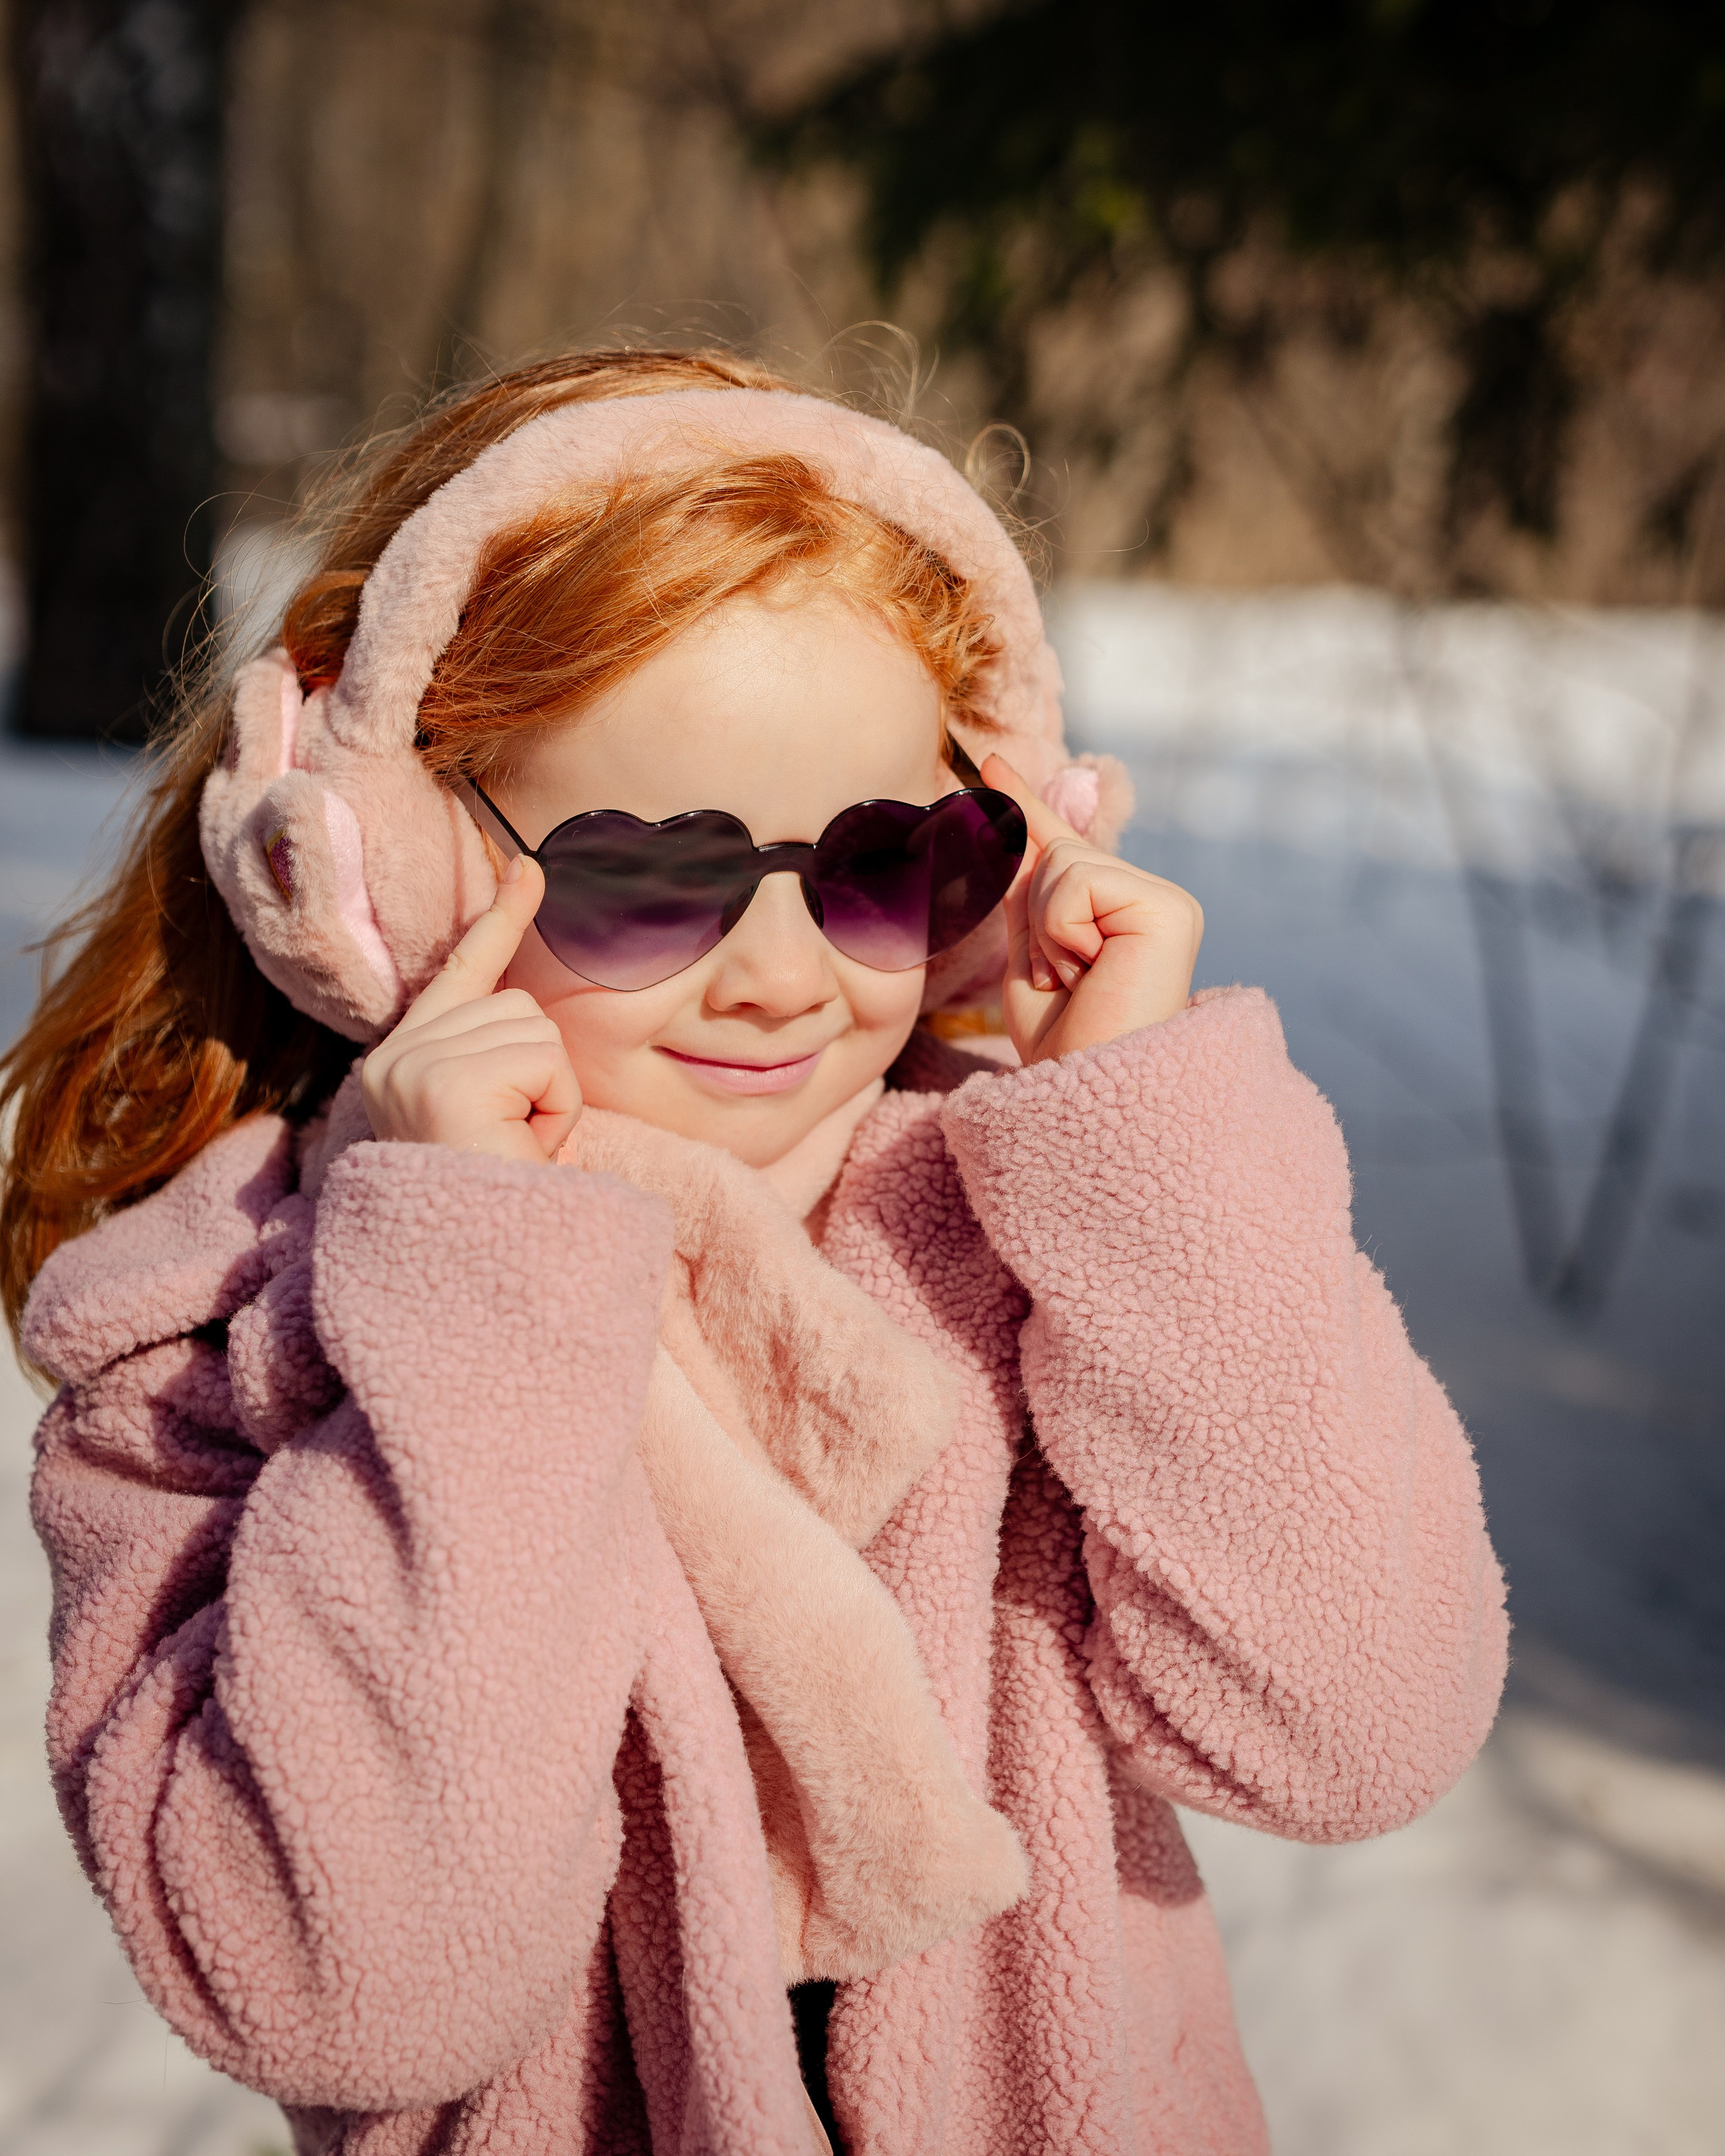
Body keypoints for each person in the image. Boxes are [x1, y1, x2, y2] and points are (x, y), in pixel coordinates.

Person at [1, 348, 1507, 2156]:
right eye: (650, 872)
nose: (789, 971)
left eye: (885, 862)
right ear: (376, 867)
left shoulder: (1049, 1255)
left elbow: (1350, 1730)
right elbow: (352, 1984)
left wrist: (1148, 1148)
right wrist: (469, 1298)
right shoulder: (208, 1359)